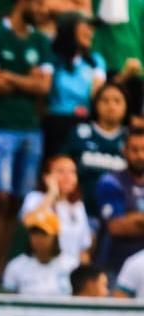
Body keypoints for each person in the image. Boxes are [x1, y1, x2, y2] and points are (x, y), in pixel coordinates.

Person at [0, 0, 54, 276]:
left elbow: (44, 86)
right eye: (41, 4)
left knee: (16, 202)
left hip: (30, 130)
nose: (45, 10)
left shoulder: (41, 41)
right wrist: (27, 81)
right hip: (0, 127)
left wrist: (9, 76)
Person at [44, 13, 106, 160]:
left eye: (92, 29)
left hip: (85, 123)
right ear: (69, 28)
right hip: (56, 124)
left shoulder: (96, 61)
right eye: (86, 26)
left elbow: (97, 95)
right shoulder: (52, 58)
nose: (90, 32)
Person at [64, 80, 127, 216]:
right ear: (96, 104)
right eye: (105, 100)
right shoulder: (79, 133)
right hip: (79, 212)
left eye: (117, 101)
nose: (111, 106)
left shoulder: (133, 140)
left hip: (121, 217)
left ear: (126, 106)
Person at [21, 153, 91, 264]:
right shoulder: (35, 198)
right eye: (61, 171)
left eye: (72, 172)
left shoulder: (78, 205)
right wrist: (52, 194)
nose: (68, 177)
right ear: (46, 177)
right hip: (40, 267)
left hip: (69, 269)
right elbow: (28, 222)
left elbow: (84, 247)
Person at [96, 126, 144, 273]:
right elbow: (116, 227)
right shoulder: (110, 181)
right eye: (134, 150)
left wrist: (134, 219)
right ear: (124, 151)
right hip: (117, 266)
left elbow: (126, 223)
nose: (140, 155)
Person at [2, 209, 76, 293]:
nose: (38, 238)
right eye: (34, 233)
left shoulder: (71, 265)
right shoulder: (16, 266)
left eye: (43, 233)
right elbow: (7, 300)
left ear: (55, 237)